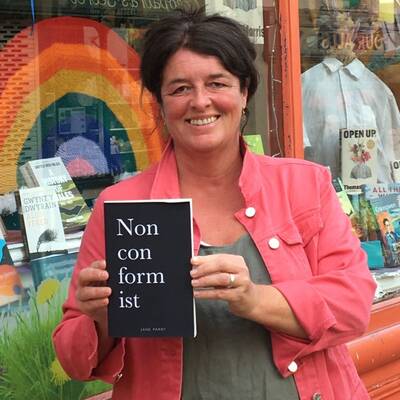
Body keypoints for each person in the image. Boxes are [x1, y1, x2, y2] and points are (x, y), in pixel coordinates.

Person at [53, 9, 377, 400]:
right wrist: (101, 316)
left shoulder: (305, 185)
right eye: (180, 89)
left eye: (217, 83)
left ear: (244, 93)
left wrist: (253, 298)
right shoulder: (120, 206)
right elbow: (74, 361)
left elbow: (353, 305)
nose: (200, 101)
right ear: (159, 102)